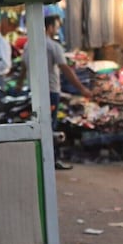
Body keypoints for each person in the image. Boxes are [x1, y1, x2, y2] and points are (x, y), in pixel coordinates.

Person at [44, 15, 91, 170]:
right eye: (56, 26)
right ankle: (53, 160)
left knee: (42, 126)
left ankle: (45, 159)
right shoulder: (52, 46)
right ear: (50, 27)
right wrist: (82, 89)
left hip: (36, 91)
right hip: (51, 91)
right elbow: (66, 69)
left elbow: (23, 69)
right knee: (50, 127)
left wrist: (18, 87)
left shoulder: (28, 45)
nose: (57, 29)